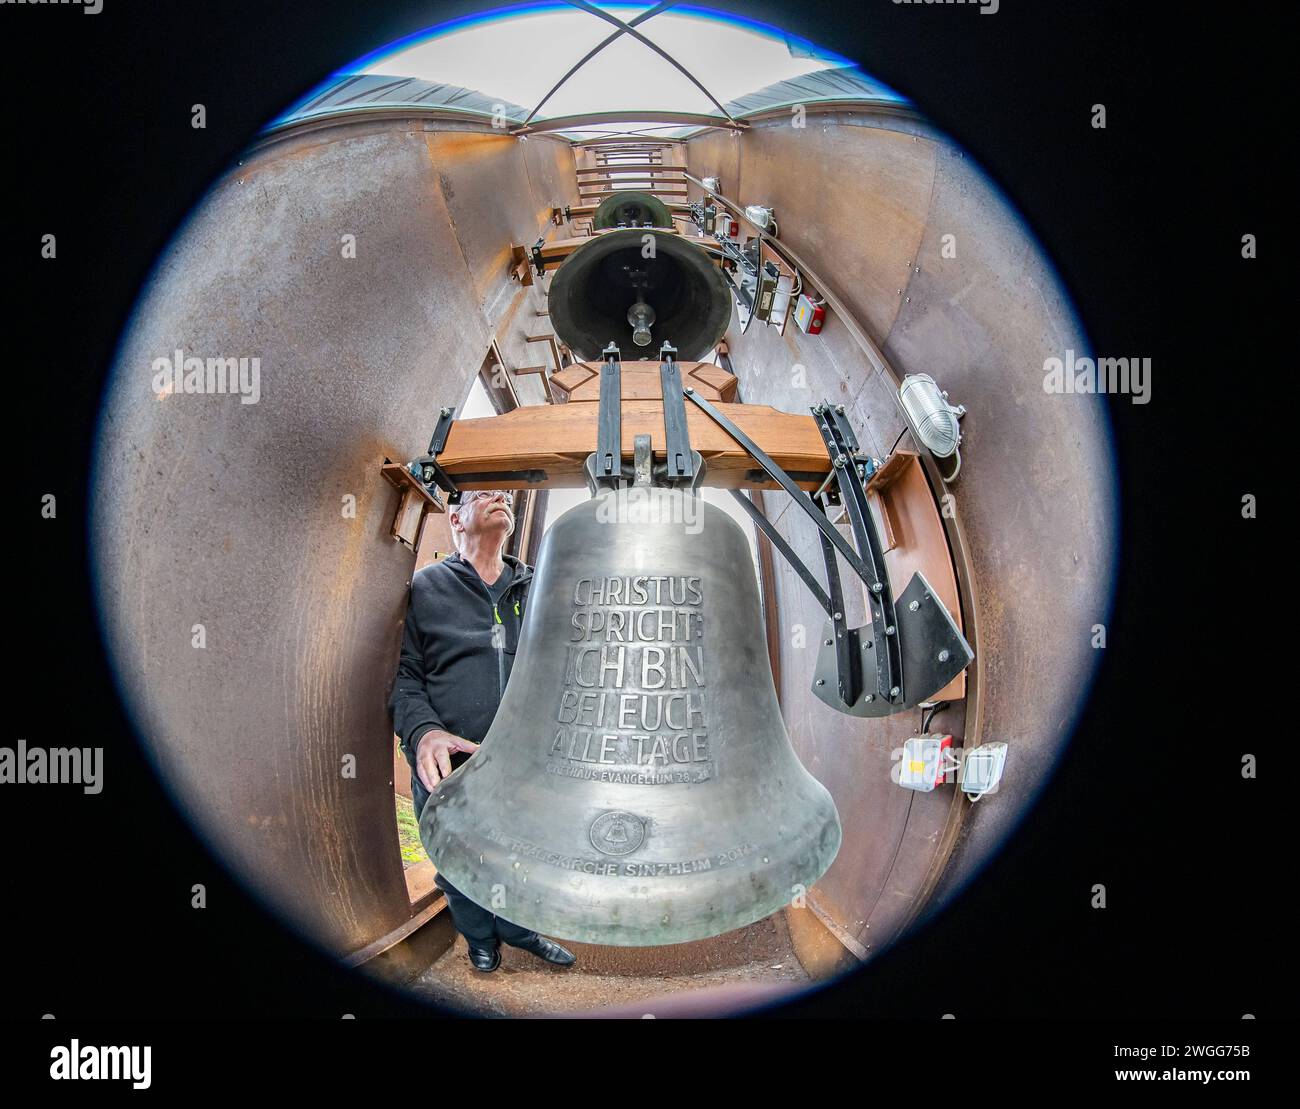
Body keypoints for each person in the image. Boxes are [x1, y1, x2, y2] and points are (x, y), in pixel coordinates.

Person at [388, 488, 576, 973]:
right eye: (483, 494)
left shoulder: (541, 587)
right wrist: (424, 732)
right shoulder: (426, 588)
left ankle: (519, 932)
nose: (500, 498)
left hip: (524, 761)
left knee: (522, 852)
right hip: (450, 761)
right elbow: (404, 675)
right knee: (455, 858)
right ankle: (479, 940)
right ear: (455, 518)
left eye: (505, 494)